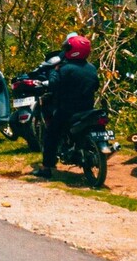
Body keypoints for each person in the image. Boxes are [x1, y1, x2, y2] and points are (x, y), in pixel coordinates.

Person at [34, 34, 99, 179]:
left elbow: (53, 85)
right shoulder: (92, 68)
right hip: (88, 109)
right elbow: (96, 86)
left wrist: (54, 71)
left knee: (51, 135)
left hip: (68, 111)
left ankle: (46, 168)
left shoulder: (64, 68)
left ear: (73, 50)